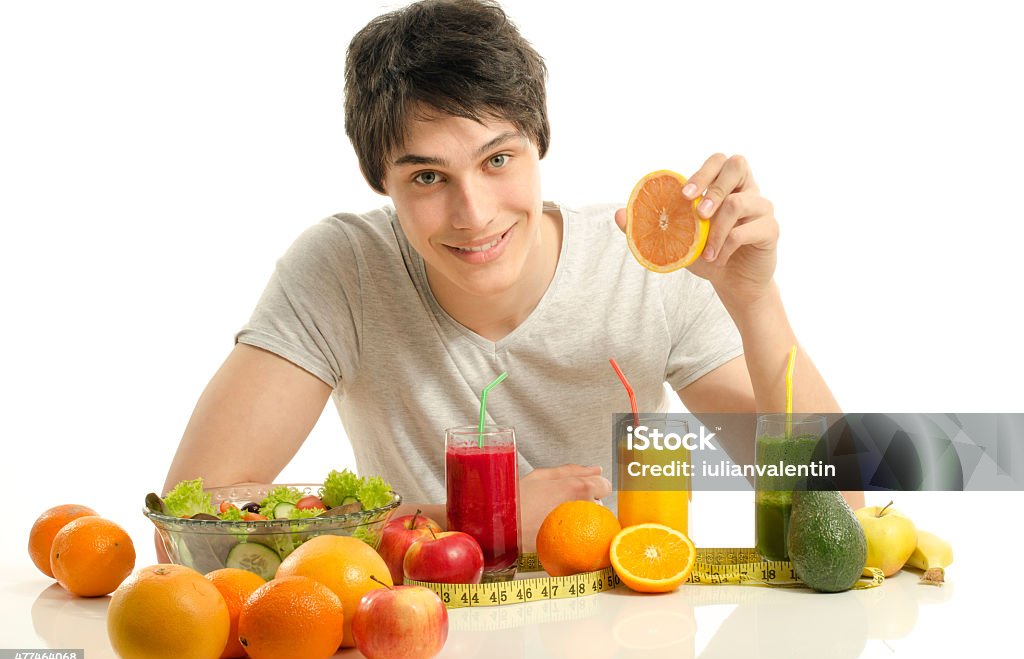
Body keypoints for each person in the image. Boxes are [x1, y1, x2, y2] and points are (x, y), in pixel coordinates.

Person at [161, 0, 857, 553]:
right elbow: (186, 523)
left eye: (498, 160)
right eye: (428, 176)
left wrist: (754, 298)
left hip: (626, 638)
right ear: (381, 181)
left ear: (539, 142)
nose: (474, 214)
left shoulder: (648, 270)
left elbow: (840, 512)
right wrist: (472, 520)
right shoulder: (344, 271)